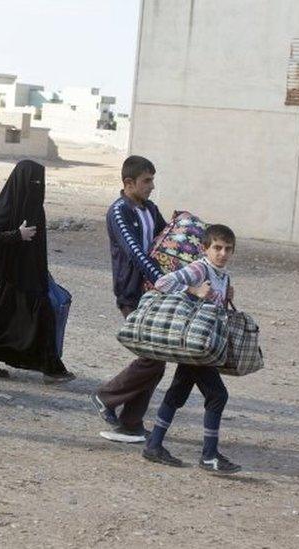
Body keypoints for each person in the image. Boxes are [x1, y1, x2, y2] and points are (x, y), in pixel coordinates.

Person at [0, 160, 75, 383]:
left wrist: (42, 271)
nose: (37, 186)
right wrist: (16, 236)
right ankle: (52, 368)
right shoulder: (9, 206)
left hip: (34, 276)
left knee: (3, 323)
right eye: (33, 182)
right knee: (42, 317)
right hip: (16, 277)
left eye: (40, 182)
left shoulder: (36, 208)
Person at [142, 224, 241, 474]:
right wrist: (194, 289)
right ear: (204, 248)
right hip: (195, 344)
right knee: (218, 395)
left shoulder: (223, 275)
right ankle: (209, 455)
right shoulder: (199, 268)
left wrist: (225, 295)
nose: (222, 253)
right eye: (217, 248)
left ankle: (154, 445)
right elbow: (162, 282)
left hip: (201, 344)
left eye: (228, 249)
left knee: (176, 394)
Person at [91, 155, 167, 443]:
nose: (151, 186)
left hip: (154, 295)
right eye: (146, 181)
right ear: (128, 183)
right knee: (152, 357)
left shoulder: (150, 209)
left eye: (152, 180)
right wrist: (162, 279)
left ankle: (131, 421)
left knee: (156, 357)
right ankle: (106, 396)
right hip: (133, 293)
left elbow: (166, 241)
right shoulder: (119, 212)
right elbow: (135, 252)